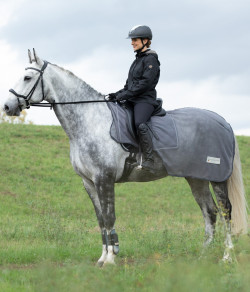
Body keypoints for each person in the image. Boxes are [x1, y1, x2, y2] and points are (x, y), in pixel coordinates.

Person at [108, 25, 162, 172]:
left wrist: (125, 95)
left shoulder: (151, 60)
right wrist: (116, 94)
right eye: (132, 40)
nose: (132, 43)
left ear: (145, 41)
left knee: (139, 123)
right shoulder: (137, 60)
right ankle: (130, 156)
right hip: (133, 99)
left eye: (135, 40)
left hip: (145, 100)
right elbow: (129, 85)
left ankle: (150, 160)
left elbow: (145, 84)